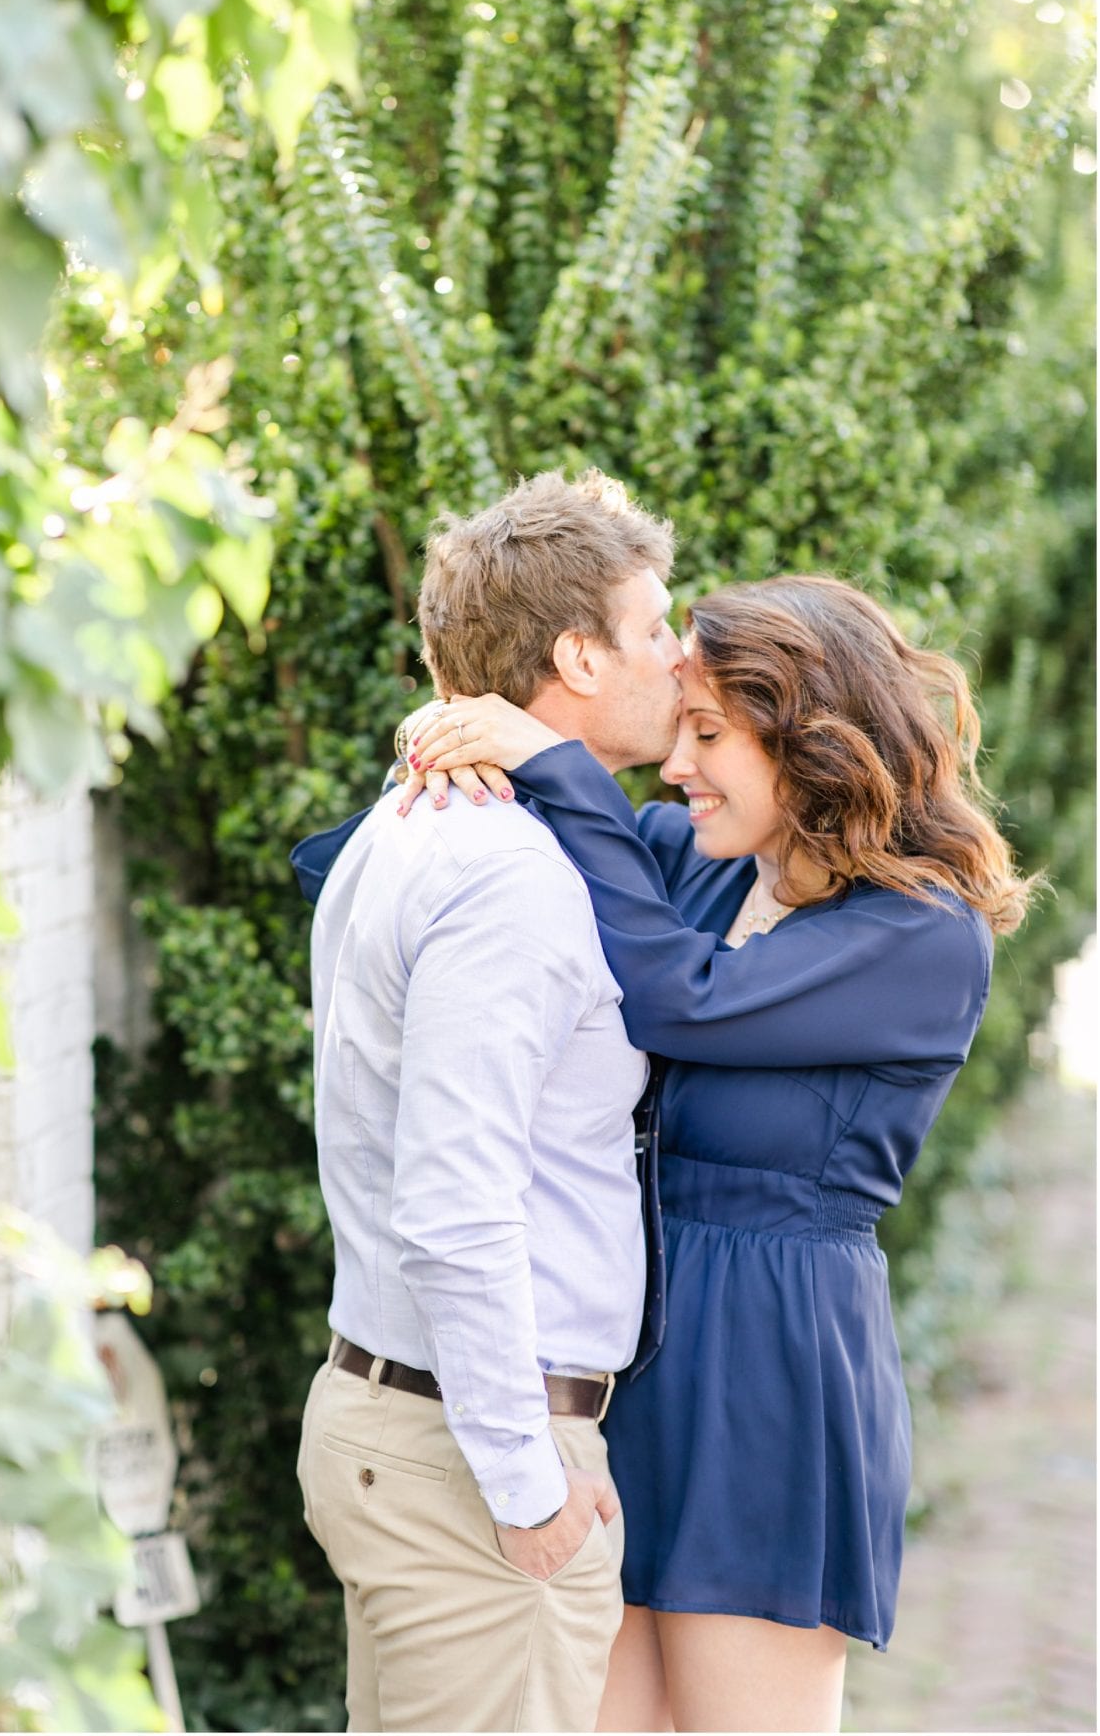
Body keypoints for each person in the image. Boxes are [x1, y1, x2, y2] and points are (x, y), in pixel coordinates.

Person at [395, 574, 1032, 1733]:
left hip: (765, 1368)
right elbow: (509, 867)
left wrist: (561, 771)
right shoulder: (697, 865)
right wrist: (450, 748)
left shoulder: (919, 937)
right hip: (622, 1358)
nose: (674, 768)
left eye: (706, 735)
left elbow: (682, 998)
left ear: (811, 740)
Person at [289, 468, 685, 1734]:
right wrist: (528, 1488)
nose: (678, 655)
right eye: (653, 626)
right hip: (468, 1461)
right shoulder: (507, 875)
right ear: (576, 652)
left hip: (417, 1426)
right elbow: (454, 1204)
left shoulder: (416, 825)